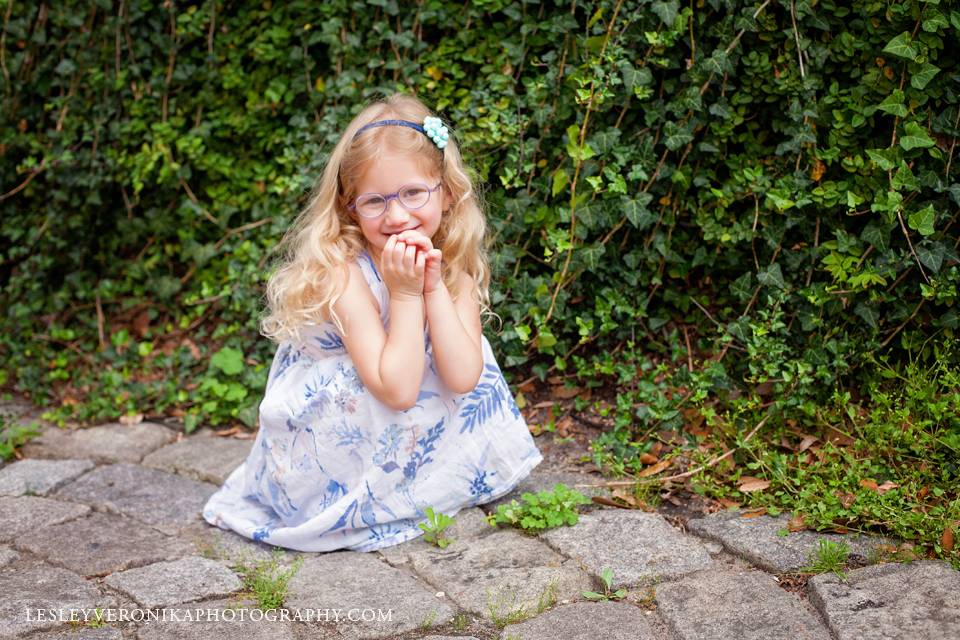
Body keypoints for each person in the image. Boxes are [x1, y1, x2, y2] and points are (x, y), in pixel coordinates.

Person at [202, 93, 543, 552]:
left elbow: (465, 378)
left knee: (459, 344)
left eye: (413, 193)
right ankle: (368, 503)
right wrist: (404, 294)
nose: (397, 215)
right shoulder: (342, 272)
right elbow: (395, 390)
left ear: (446, 192)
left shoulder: (452, 266)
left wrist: (432, 288)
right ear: (349, 208)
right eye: (375, 201)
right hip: (334, 437)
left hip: (393, 416)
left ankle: (424, 487)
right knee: (384, 377)